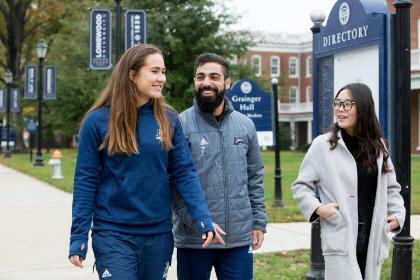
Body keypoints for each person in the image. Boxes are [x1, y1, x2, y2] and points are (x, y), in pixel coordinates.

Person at [68, 44, 223, 280]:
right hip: (113, 233)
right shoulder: (97, 121)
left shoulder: (169, 119)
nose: (161, 78)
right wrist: (78, 236)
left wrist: (203, 217)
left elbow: (184, 173)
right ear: (132, 74)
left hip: (158, 234)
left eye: (163, 71)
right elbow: (85, 181)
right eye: (154, 71)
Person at [292, 83, 406, 280]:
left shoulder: (378, 147)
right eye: (337, 103)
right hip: (341, 233)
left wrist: (398, 215)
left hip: (373, 235)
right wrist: (319, 209)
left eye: (346, 104)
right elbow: (301, 186)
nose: (339, 109)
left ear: (362, 108)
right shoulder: (323, 145)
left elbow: (391, 188)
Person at [171, 53, 267, 280]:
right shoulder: (179, 125)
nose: (206, 82)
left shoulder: (246, 126)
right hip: (195, 241)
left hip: (238, 239)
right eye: (200, 77)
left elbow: (255, 177)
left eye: (214, 77)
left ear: (227, 82)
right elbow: (173, 183)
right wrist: (199, 223)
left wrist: (259, 222)